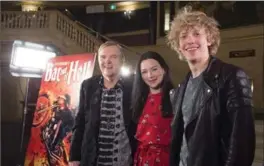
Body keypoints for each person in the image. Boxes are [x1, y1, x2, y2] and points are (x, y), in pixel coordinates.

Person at [166, 6, 255, 166]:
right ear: (178, 46)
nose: (190, 40)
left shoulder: (231, 77)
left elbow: (243, 143)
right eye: (184, 36)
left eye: (197, 34)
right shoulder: (180, 89)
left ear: (209, 39)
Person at [69, 41, 135, 166]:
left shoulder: (133, 86)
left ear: (122, 60)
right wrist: (74, 156)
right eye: (103, 57)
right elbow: (80, 122)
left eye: (113, 57)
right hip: (92, 161)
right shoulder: (88, 86)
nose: (107, 61)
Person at [131, 51, 174, 166]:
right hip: (141, 159)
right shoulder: (139, 101)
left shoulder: (175, 97)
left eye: (154, 69)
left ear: (163, 69)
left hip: (166, 160)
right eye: (144, 72)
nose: (150, 76)